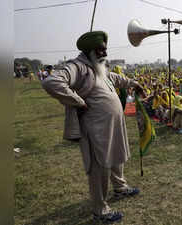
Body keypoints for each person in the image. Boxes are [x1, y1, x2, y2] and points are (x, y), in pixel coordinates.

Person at [42, 31, 144, 223]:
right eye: (100, 49)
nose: (104, 52)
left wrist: (134, 83)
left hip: (112, 125)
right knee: (99, 168)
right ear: (90, 51)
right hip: (95, 129)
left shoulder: (99, 67)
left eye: (105, 48)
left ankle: (120, 188)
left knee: (115, 157)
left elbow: (114, 78)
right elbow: (51, 82)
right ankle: (100, 210)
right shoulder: (77, 67)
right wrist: (78, 101)